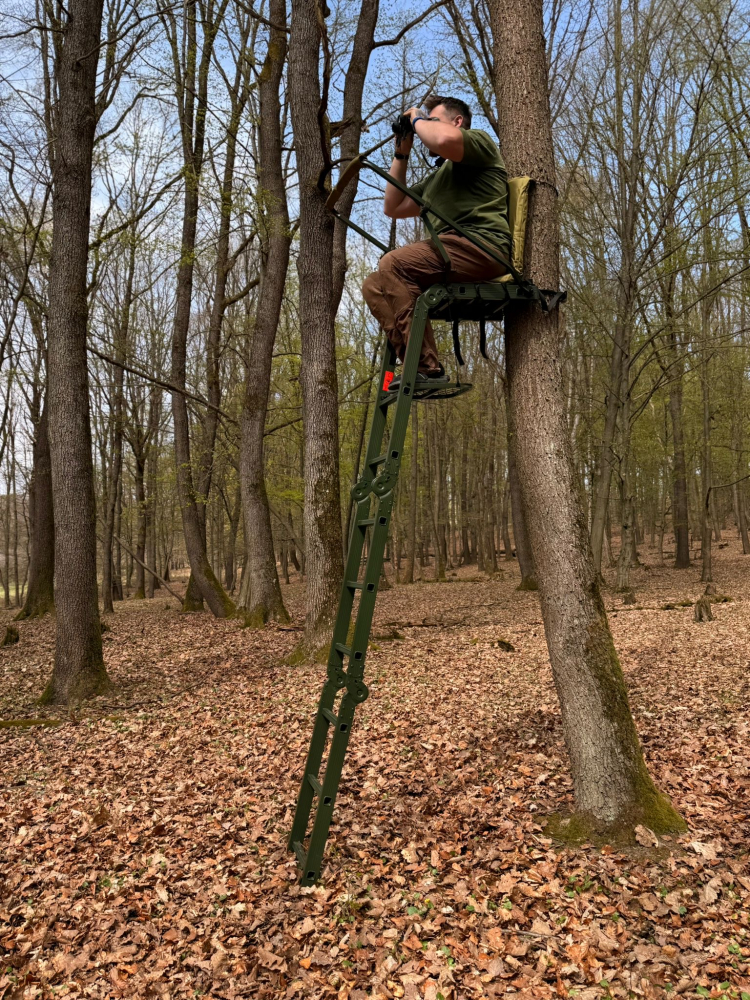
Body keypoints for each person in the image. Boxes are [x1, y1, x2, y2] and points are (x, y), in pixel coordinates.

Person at [362, 96, 512, 387]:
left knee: (392, 262)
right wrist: (401, 152)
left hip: (482, 245)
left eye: (434, 120)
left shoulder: (478, 143)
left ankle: (424, 367)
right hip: (453, 251)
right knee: (374, 284)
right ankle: (414, 364)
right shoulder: (439, 177)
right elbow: (393, 206)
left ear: (457, 122)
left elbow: (443, 140)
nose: (424, 128)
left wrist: (417, 118)